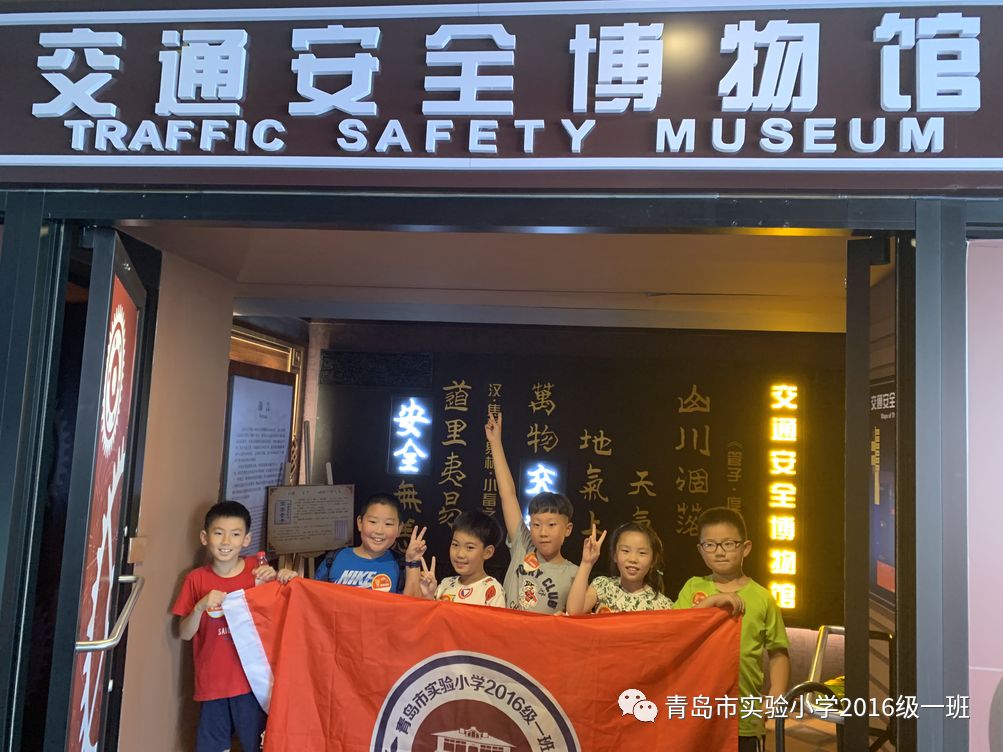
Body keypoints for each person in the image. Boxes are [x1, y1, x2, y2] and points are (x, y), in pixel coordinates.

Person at [172, 500, 297, 752]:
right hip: (213, 684)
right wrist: (200, 607)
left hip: (254, 683)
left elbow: (286, 609)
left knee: (259, 745)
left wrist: (287, 578)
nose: (226, 541)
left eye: (236, 534)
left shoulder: (258, 572)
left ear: (247, 539)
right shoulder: (196, 579)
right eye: (219, 533)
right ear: (205, 537)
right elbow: (184, 633)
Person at [674, 507, 790, 752]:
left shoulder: (763, 598)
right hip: (698, 711)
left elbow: (778, 652)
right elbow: (676, 632)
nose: (719, 552)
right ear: (700, 550)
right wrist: (711, 602)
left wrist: (776, 694)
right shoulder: (693, 587)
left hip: (744, 717)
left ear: (745, 548)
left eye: (728, 544)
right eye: (710, 545)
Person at [485, 412, 578, 612]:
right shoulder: (524, 546)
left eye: (551, 524)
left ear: (568, 528)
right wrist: (495, 443)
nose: (543, 532)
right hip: (506, 630)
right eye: (536, 524)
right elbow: (508, 495)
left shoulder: (574, 574)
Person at [566, 522, 673, 614]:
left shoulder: (663, 605)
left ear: (653, 560)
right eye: (625, 551)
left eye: (642, 553)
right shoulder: (603, 586)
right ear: (614, 555)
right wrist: (587, 563)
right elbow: (574, 611)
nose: (633, 559)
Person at [408, 510, 505, 607]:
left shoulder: (492, 590)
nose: (460, 554)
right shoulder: (445, 584)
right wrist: (428, 597)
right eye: (455, 544)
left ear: (487, 552)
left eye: (470, 547)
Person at [315, 492, 406, 593]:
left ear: (399, 529)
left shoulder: (402, 566)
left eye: (388, 524)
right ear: (360, 523)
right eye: (373, 522)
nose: (379, 531)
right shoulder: (333, 560)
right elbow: (313, 596)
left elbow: (411, 601)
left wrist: (414, 565)